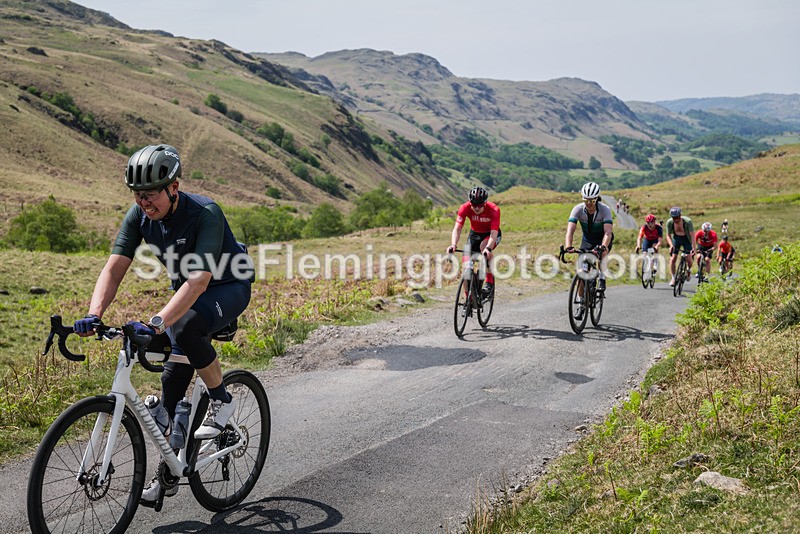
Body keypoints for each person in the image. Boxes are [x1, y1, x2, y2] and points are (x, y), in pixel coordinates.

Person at [73, 144, 253, 504]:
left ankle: (222, 400)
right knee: (169, 399)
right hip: (184, 295)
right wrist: (95, 314)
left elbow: (200, 281)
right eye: (138, 195)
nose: (144, 202)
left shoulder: (205, 213)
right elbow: (114, 268)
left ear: (173, 187)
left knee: (183, 328)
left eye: (151, 194)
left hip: (227, 286)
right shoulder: (138, 216)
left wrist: (155, 323)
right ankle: (168, 471)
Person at [447, 186, 502, 300]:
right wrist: (453, 245)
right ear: (470, 202)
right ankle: (468, 297)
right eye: (474, 205)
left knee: (484, 249)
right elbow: (457, 228)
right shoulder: (464, 208)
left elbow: (493, 233)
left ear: (485, 203)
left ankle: (489, 284)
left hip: (491, 235)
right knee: (466, 268)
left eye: (480, 205)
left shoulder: (494, 210)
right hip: (474, 235)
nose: (477, 208)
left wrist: (488, 248)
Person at [564, 181, 613, 292]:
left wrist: (603, 246)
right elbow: (570, 230)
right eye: (586, 200)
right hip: (588, 240)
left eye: (592, 201)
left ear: (597, 199)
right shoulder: (577, 209)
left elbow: (608, 233)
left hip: (603, 239)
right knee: (582, 273)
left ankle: (601, 277)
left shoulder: (605, 210)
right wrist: (568, 246)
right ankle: (582, 303)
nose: (589, 203)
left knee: (602, 253)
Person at [665, 206, 695, 287]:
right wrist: (671, 245)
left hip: (686, 239)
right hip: (676, 239)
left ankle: (688, 270)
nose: (676, 220)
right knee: (673, 258)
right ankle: (673, 278)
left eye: (678, 218)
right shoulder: (669, 222)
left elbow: (692, 235)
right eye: (674, 218)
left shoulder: (688, 222)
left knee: (689, 259)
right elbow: (668, 235)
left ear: (680, 215)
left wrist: (693, 248)